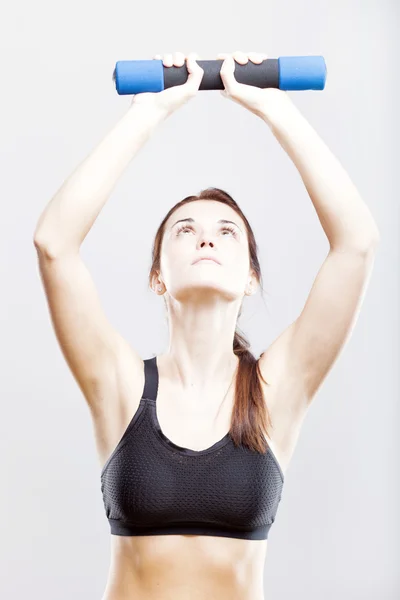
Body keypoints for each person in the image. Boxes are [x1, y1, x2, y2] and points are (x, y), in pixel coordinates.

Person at [33, 51, 380, 600]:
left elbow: (357, 243)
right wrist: (148, 113)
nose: (207, 238)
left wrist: (275, 112)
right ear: (157, 278)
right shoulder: (121, 385)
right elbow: (54, 244)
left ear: (249, 277)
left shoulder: (275, 390)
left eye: (227, 231)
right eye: (185, 229)